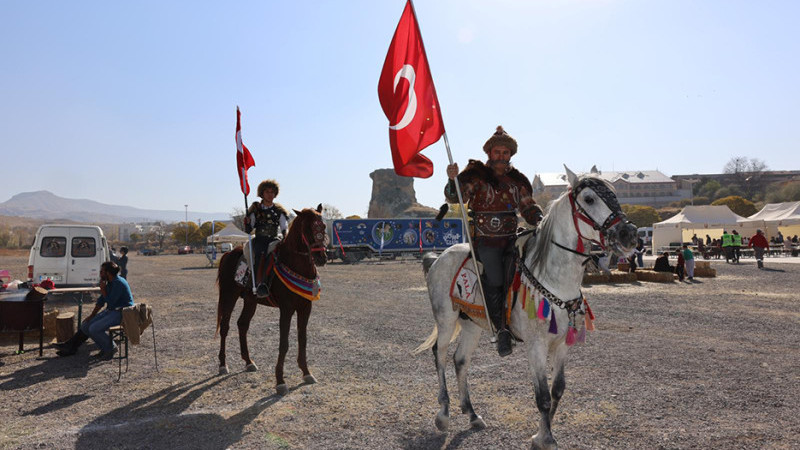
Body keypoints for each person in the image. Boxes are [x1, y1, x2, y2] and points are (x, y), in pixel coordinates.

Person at [445, 126, 543, 357]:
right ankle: (501, 330)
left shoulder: (518, 180)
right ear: (490, 153)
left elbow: (528, 206)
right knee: (497, 278)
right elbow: (454, 197)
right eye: (497, 152)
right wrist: (452, 180)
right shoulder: (475, 175)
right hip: (485, 240)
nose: (501, 156)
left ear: (511, 154)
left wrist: (540, 219)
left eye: (505, 152)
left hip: (511, 238)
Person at [55, 261, 134, 359]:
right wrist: (92, 315)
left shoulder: (118, 283)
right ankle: (71, 347)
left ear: (108, 273)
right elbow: (101, 301)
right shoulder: (109, 282)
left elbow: (112, 303)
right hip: (112, 311)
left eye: (102, 272)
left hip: (121, 313)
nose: (100, 274)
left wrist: (103, 290)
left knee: (94, 329)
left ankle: (110, 348)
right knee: (85, 325)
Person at [245, 179, 289, 297]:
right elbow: (249, 229)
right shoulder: (255, 209)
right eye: (267, 192)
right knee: (260, 254)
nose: (270, 194)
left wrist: (286, 236)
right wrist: (248, 223)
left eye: (272, 192)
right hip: (259, 240)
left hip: (274, 239)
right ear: (262, 193)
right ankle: (260, 283)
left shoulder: (279, 211)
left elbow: (284, 226)